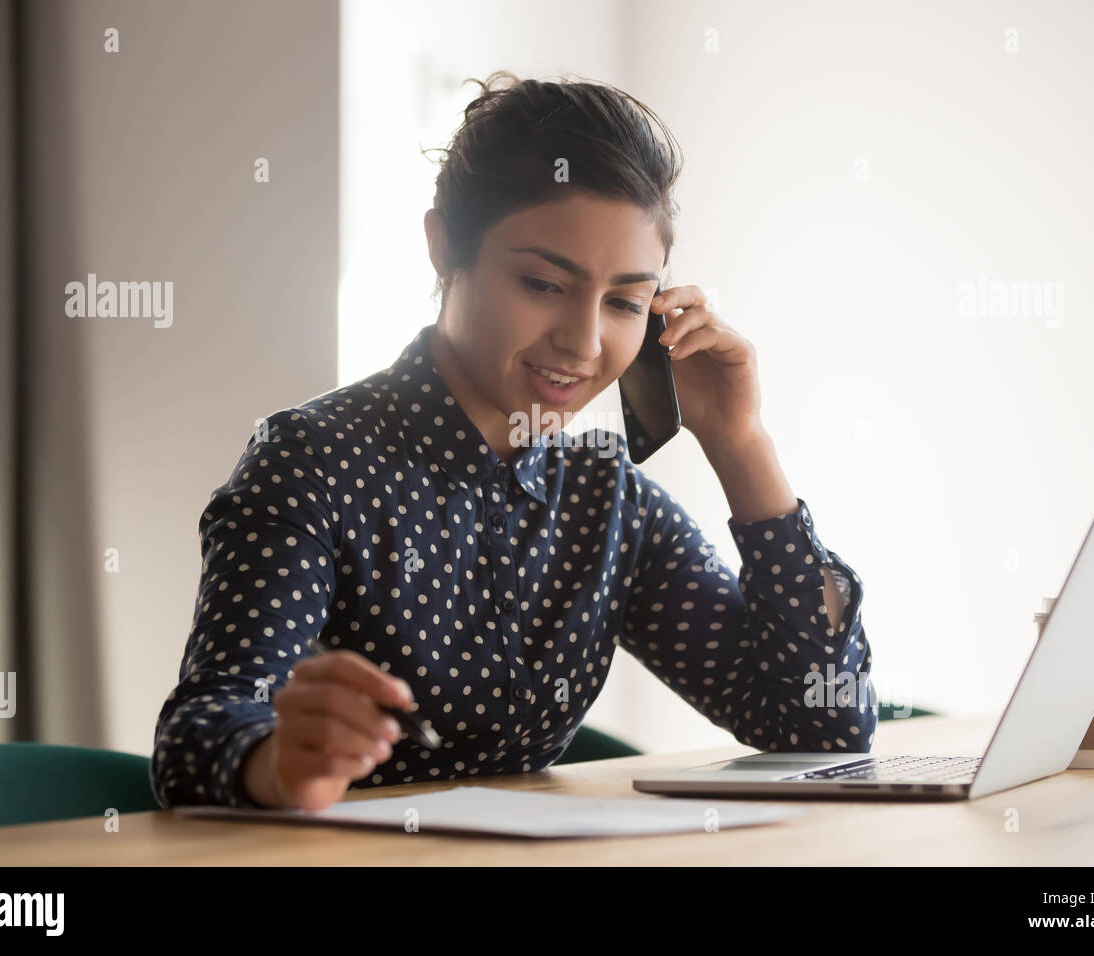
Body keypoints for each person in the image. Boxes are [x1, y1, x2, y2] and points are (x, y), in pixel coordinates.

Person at [151, 71, 876, 812]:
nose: (584, 341)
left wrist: (740, 442)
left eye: (625, 301)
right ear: (443, 248)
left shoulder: (606, 500)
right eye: (542, 283)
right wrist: (278, 764)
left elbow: (821, 726)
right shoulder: (313, 462)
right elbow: (198, 735)